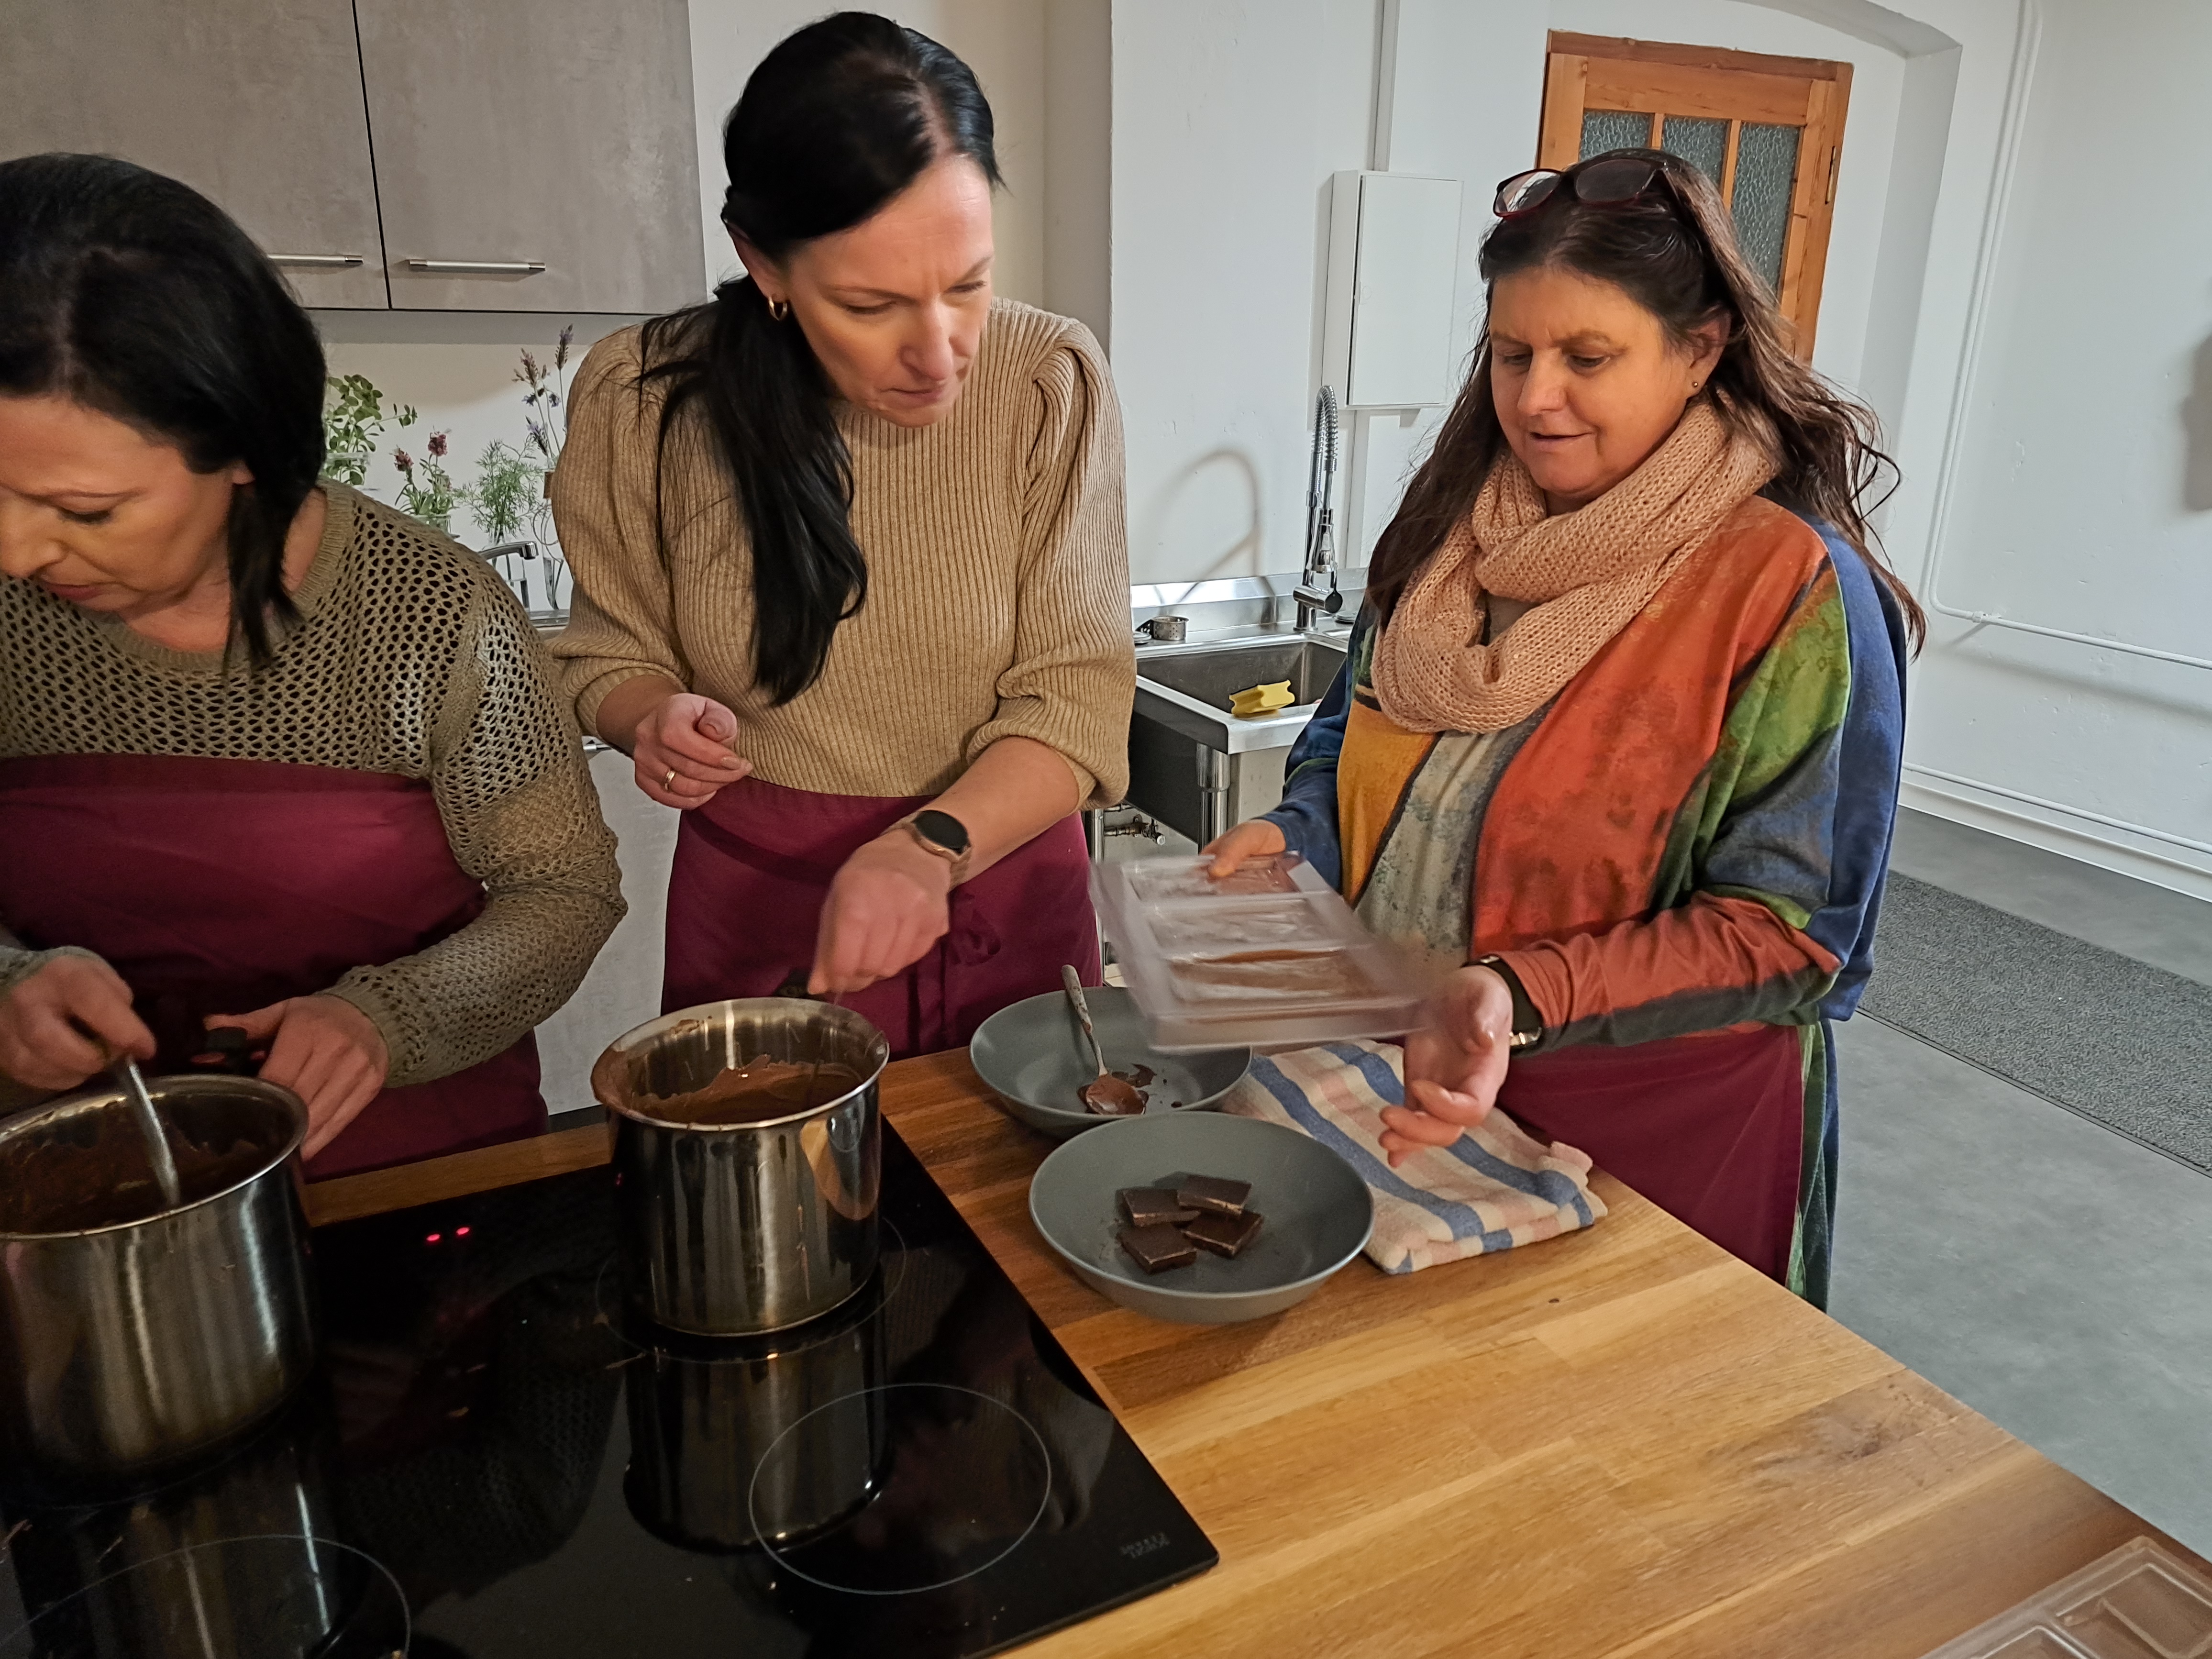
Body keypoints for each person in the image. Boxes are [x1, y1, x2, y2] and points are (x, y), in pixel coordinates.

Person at [1207, 150, 1915, 1305]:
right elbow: (1348, 738)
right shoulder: (1448, 537)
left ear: (1700, 353)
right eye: (1509, 354)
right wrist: (1298, 841)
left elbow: (1796, 938)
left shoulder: (1790, 594)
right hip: (1421, 1083)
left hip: (1651, 1126)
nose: (1535, 398)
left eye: (1588, 358)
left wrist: (1516, 994)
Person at [0, 153, 624, 1178]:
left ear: (243, 441)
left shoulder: (430, 611)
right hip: (77, 1187)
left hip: (404, 1173)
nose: (19, 555)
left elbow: (560, 891)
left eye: (85, 512)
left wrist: (386, 1018)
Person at [549, 13, 1132, 1059]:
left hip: (1001, 890)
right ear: (762, 263)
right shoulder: (643, 399)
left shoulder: (1046, 379)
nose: (939, 353)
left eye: (967, 285)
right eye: (870, 304)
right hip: (766, 916)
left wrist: (928, 847)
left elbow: (1078, 697)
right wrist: (650, 718)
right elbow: (607, 651)